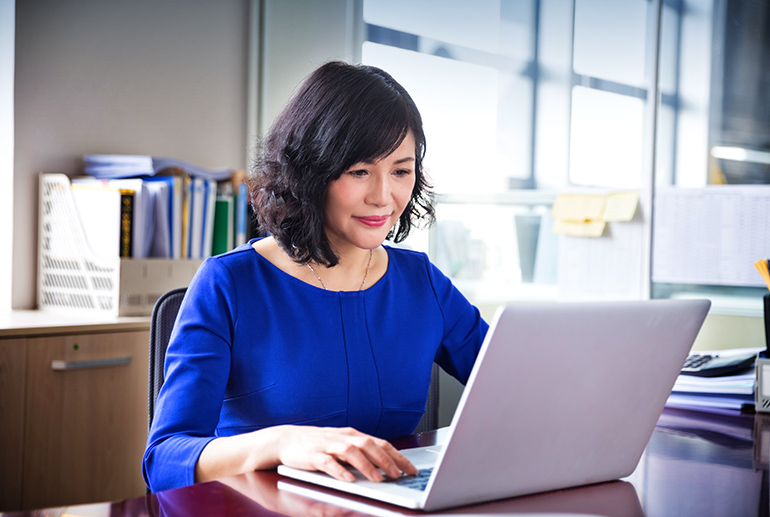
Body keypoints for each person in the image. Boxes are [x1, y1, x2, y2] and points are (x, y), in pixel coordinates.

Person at [142, 61, 489, 493]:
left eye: (400, 171)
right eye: (359, 171)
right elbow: (164, 459)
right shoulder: (228, 283)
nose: (383, 196)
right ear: (311, 171)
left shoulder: (423, 283)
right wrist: (283, 441)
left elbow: (518, 385)